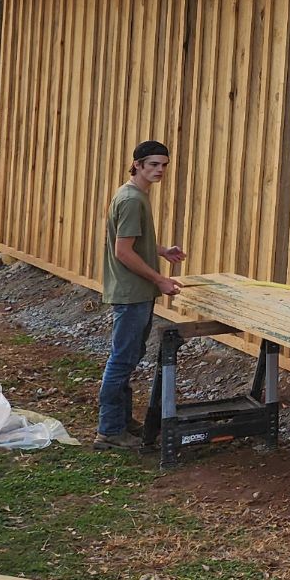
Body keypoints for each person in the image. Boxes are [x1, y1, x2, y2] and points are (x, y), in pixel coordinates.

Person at [95, 140, 186, 449]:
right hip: (131, 293)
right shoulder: (132, 199)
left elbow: (132, 241)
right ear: (137, 165)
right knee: (121, 360)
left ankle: (120, 421)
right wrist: (160, 279)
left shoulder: (134, 194)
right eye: (153, 165)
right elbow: (123, 252)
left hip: (135, 292)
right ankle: (109, 430)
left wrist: (161, 250)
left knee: (129, 357)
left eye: (164, 165)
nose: (159, 170)